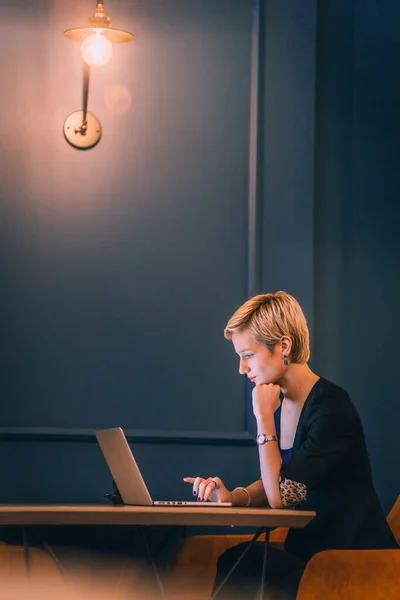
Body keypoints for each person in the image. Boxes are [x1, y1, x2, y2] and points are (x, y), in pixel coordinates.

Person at [184, 291, 398, 600]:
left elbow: (281, 496)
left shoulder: (331, 405)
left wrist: (262, 418)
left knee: (246, 567)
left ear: (283, 346)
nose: (242, 369)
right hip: (313, 552)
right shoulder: (284, 402)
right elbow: (288, 480)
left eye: (247, 355)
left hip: (353, 560)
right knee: (239, 561)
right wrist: (235, 496)